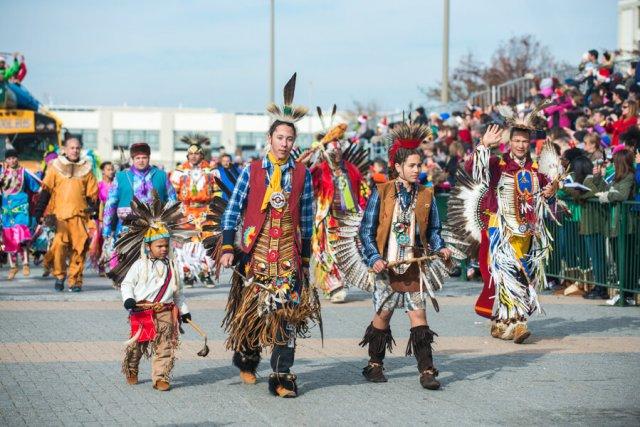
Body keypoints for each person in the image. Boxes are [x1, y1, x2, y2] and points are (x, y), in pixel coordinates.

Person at [215, 73, 320, 398]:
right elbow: (234, 209)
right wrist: (230, 246)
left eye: (290, 138)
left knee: (286, 316)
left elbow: (306, 215)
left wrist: (305, 257)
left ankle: (282, 376)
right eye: (280, 137)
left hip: (287, 256)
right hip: (256, 252)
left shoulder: (302, 174)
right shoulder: (253, 170)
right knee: (252, 312)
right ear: (270, 138)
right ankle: (247, 358)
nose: (285, 143)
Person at [358, 121, 452, 390]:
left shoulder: (426, 194)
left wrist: (440, 247)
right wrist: (374, 258)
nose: (416, 170)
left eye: (418, 165)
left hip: (413, 265)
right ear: (397, 167)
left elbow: (433, 229)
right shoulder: (382, 192)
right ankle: (375, 364)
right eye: (411, 165)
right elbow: (366, 231)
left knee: (418, 316)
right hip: (385, 265)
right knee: (384, 315)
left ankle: (427, 370)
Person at [455, 104, 559, 343]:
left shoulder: (535, 169)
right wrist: (483, 145)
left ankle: (503, 321)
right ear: (509, 142)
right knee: (507, 274)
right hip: (499, 231)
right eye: (517, 141)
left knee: (523, 275)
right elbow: (472, 168)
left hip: (527, 232)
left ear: (529, 144)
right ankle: (519, 324)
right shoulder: (497, 165)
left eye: (525, 141)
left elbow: (548, 196)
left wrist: (552, 190)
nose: (521, 145)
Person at [115, 196, 193, 391]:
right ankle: (131, 368)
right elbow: (127, 284)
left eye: (166, 245)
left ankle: (160, 377)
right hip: (142, 309)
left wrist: (184, 311)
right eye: (159, 246)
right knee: (137, 346)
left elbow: (178, 293)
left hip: (165, 310)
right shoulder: (139, 265)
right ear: (148, 247)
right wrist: (129, 300)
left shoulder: (173, 267)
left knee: (165, 345)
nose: (164, 249)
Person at [310, 118, 367, 303]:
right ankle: (332, 285)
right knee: (326, 251)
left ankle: (341, 282)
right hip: (327, 218)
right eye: (331, 149)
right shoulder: (319, 170)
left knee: (344, 251)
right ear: (325, 152)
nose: (336, 152)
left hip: (348, 217)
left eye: (338, 149)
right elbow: (307, 186)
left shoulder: (352, 170)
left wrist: (363, 212)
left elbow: (362, 191)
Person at [34, 136, 98, 291]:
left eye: (77, 148)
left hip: (80, 216)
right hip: (60, 217)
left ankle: (75, 281)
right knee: (59, 247)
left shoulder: (87, 169)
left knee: (80, 248)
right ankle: (60, 275)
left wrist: (93, 211)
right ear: (65, 149)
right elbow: (46, 191)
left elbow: (92, 195)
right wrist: (39, 212)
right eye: (71, 147)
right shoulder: (55, 167)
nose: (74, 150)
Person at [103, 142, 177, 259]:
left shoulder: (161, 176)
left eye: (144, 158)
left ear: (149, 158)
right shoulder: (121, 176)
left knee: (154, 264)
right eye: (137, 158)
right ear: (132, 159)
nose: (141, 161)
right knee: (129, 264)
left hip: (156, 228)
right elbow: (110, 204)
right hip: (127, 228)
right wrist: (106, 229)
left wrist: (171, 223)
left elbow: (172, 200)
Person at [581, 147, 636, 300]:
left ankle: (628, 294)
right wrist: (597, 178)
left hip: (624, 224)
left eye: (614, 160)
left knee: (626, 261)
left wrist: (607, 196)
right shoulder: (617, 177)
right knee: (619, 261)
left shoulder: (628, 176)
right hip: (613, 224)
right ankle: (624, 293)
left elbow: (622, 194)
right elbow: (606, 188)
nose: (611, 163)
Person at [170, 134, 217, 287]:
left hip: (206, 211)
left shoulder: (211, 170)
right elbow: (172, 194)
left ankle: (206, 273)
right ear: (187, 155)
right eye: (191, 153)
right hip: (186, 212)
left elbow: (218, 192)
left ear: (202, 154)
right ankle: (188, 274)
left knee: (207, 243)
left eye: (197, 153)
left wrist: (217, 209)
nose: (194, 156)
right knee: (185, 245)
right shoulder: (179, 171)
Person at [0, 149, 40, 279]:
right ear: (6, 160)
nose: (12, 161)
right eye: (9, 158)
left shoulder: (24, 172)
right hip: (6, 210)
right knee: (9, 237)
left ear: (18, 158)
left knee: (21, 235)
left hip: (21, 208)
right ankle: (13, 267)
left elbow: (36, 188)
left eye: (14, 158)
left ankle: (26, 264)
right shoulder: (2, 173)